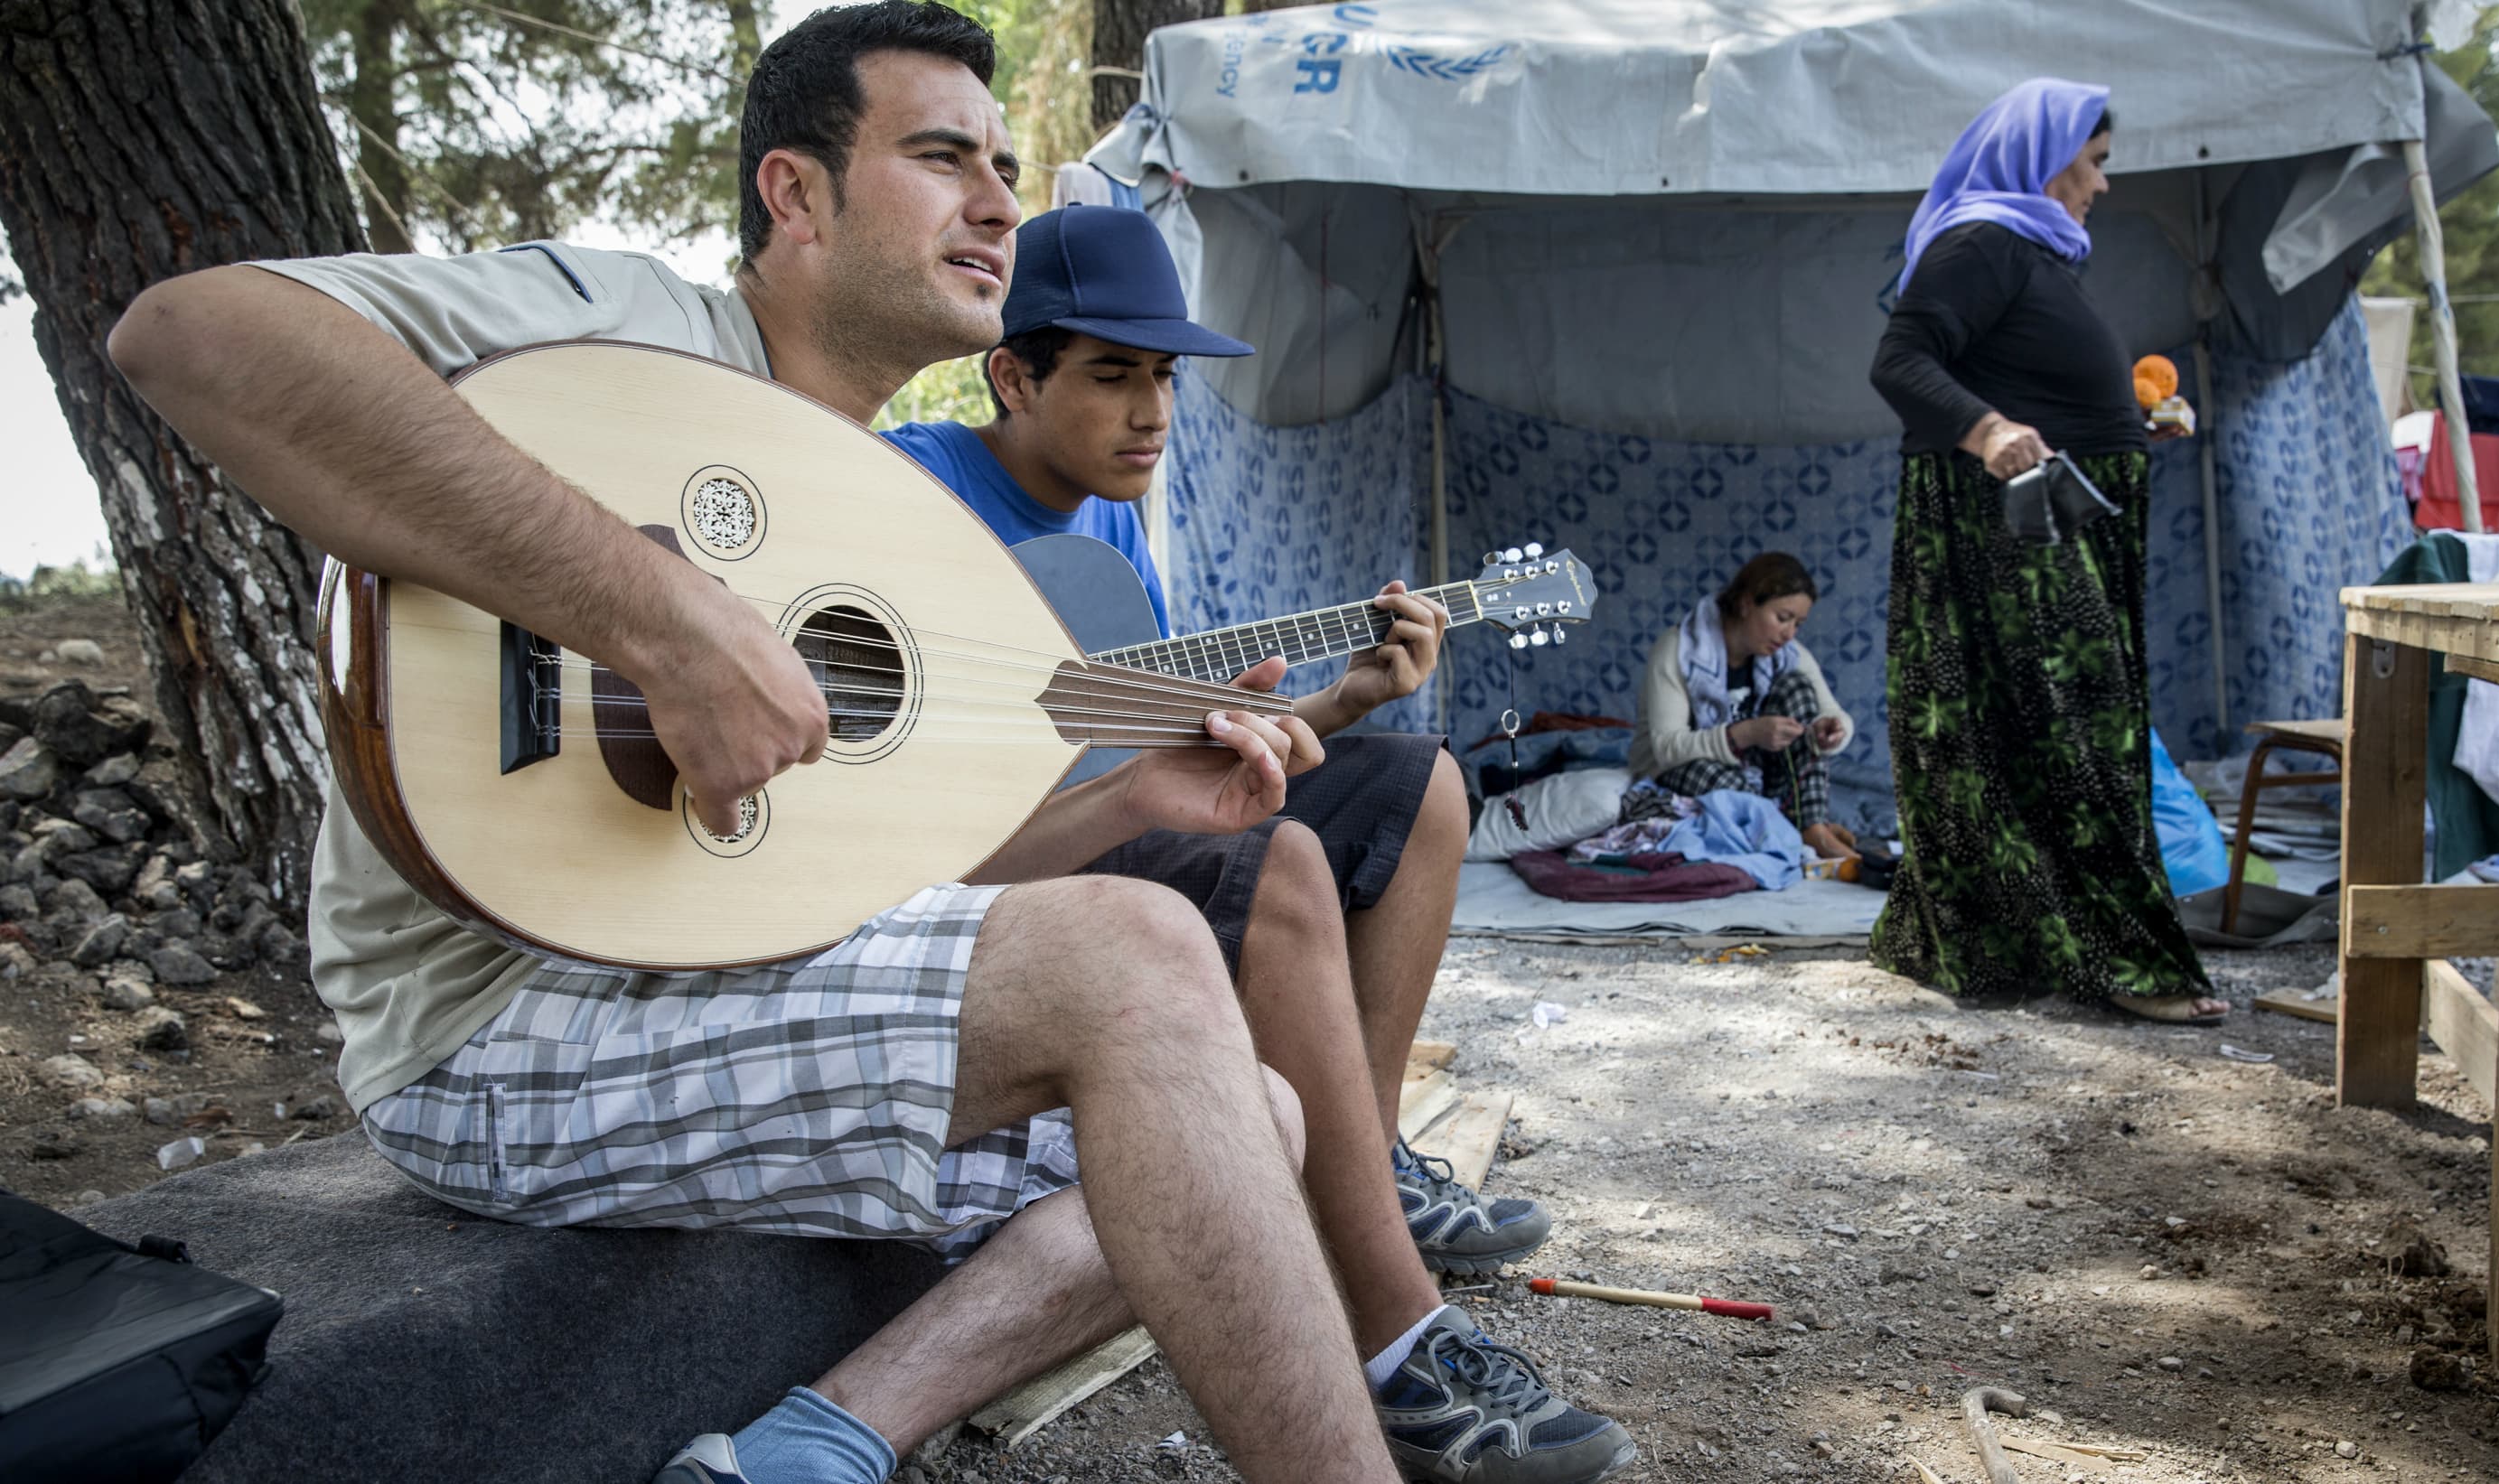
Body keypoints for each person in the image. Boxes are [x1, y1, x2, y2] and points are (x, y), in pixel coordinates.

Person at [105, 7, 1633, 1483]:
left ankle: (818, 1437)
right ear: (796, 194)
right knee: (1146, 955)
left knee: (1266, 1107)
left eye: (1003, 170)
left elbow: (886, 877)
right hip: (506, 1021)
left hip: (718, 973)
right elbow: (192, 335)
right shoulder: (637, 328)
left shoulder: (886, 508)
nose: (998, 206)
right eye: (942, 157)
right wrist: (663, 621)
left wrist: (1129, 796)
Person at [884, 203, 1552, 1279]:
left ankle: (1370, 1154)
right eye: (1113, 374)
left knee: (1420, 780)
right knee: (1278, 856)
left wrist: (1343, 699)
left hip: (1107, 818)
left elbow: (1164, 742)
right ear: (1013, 377)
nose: (1152, 412)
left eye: (1166, 376)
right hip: (966, 872)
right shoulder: (907, 484)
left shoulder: (1110, 519)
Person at [1865, 77, 2223, 1024]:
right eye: (2093, 162)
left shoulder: (2029, 250)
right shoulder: (1979, 241)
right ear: (2040, 155)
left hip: (2059, 528)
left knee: (2043, 737)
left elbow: (2036, 378)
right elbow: (1899, 362)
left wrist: (2131, 427)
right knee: (2075, 735)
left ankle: (2029, 940)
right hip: (2015, 542)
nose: (2102, 185)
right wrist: (1986, 431)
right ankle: (2122, 959)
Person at [1627, 552, 1859, 863]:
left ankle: (1812, 826)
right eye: (1783, 618)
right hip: (1680, 770)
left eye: (1798, 624)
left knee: (1797, 688)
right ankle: (1787, 827)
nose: (1789, 634)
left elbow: (1834, 714)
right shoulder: (1678, 649)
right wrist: (1745, 734)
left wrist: (1829, 730)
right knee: (1722, 782)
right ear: (1747, 604)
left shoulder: (1788, 654)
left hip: (1757, 778)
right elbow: (1667, 749)